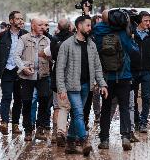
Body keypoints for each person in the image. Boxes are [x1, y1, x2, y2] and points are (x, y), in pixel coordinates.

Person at [56, 15, 108, 156]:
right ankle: (84, 140)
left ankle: (71, 142)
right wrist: (61, 88)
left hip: (86, 86)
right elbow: (60, 69)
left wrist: (102, 84)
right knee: (79, 113)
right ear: (79, 26)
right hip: (71, 87)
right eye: (88, 25)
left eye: (90, 26)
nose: (90, 28)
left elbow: (97, 67)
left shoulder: (91, 45)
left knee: (77, 115)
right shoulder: (66, 44)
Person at [94, 10, 135, 151]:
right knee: (124, 107)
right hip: (124, 76)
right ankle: (125, 137)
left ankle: (104, 140)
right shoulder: (124, 33)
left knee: (106, 108)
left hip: (106, 78)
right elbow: (133, 50)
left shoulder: (98, 31)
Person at [14, 18, 51, 142]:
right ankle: (28, 130)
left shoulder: (47, 40)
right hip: (27, 76)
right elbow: (16, 56)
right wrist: (23, 67)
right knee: (27, 102)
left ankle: (40, 128)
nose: (42, 27)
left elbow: (52, 57)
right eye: (40, 25)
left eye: (44, 25)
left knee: (44, 100)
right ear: (33, 26)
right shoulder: (23, 39)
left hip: (43, 75)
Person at [0, 11, 27, 135]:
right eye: (18, 19)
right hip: (7, 70)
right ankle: (4, 123)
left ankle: (16, 124)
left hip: (21, 71)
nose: (20, 21)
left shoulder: (26, 35)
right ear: (11, 21)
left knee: (19, 99)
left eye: (21, 19)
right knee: (6, 97)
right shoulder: (2, 36)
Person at [129, 11, 150, 133]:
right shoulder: (131, 34)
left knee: (146, 97)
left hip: (147, 71)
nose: (148, 23)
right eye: (146, 20)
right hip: (133, 70)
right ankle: (135, 119)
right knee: (133, 97)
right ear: (140, 21)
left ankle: (143, 122)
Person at [47, 18, 73, 146]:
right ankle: (69, 132)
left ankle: (55, 133)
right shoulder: (73, 39)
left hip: (57, 75)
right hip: (72, 76)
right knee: (71, 107)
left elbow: (51, 55)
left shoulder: (54, 39)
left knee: (58, 107)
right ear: (70, 28)